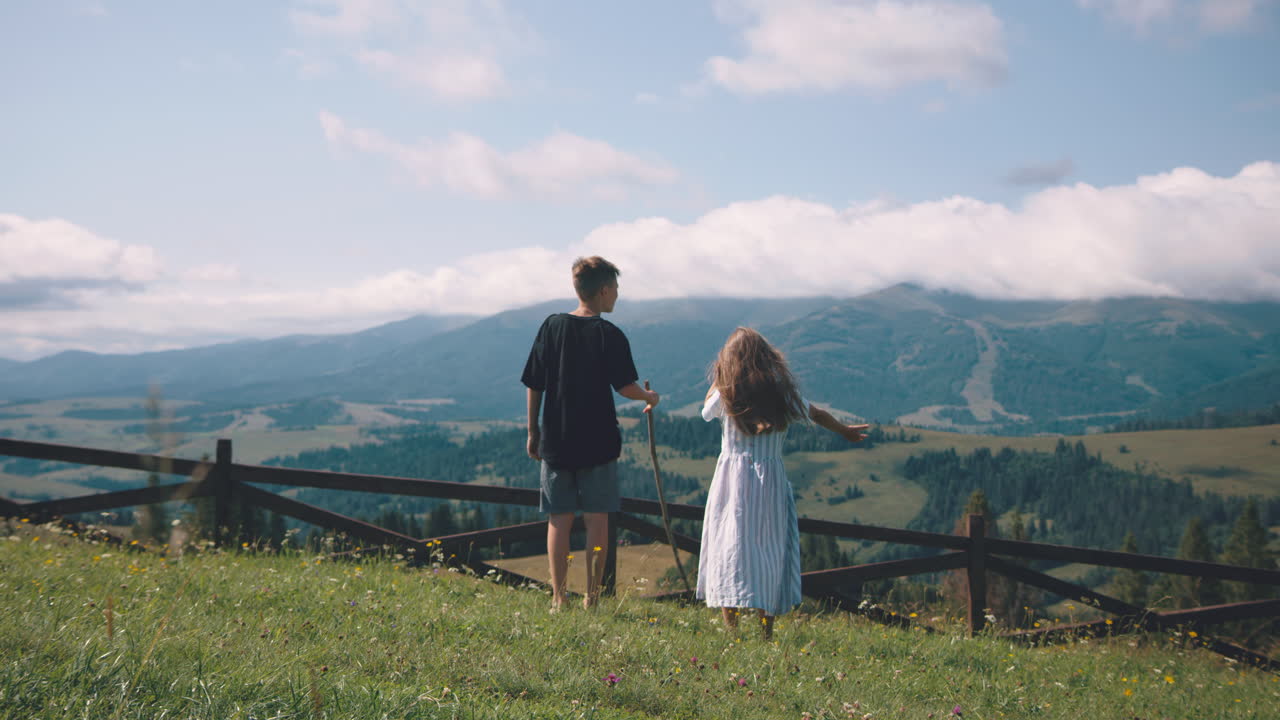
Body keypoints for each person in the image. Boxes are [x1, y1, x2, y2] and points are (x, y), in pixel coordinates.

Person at [697, 327, 867, 638]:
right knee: (769, 548)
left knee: (728, 547)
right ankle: (766, 630)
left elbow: (706, 412)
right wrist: (845, 431)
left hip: (731, 481)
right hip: (770, 480)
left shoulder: (726, 392)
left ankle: (732, 629)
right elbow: (817, 414)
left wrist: (719, 378)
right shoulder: (782, 393)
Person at [521, 256, 659, 611]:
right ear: (602, 291)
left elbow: (534, 383)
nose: (617, 294)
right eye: (614, 288)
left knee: (559, 520)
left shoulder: (551, 327)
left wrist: (532, 430)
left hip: (556, 438)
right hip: (598, 441)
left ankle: (558, 597)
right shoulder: (608, 334)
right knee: (598, 520)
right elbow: (625, 386)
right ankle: (592, 598)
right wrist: (649, 397)